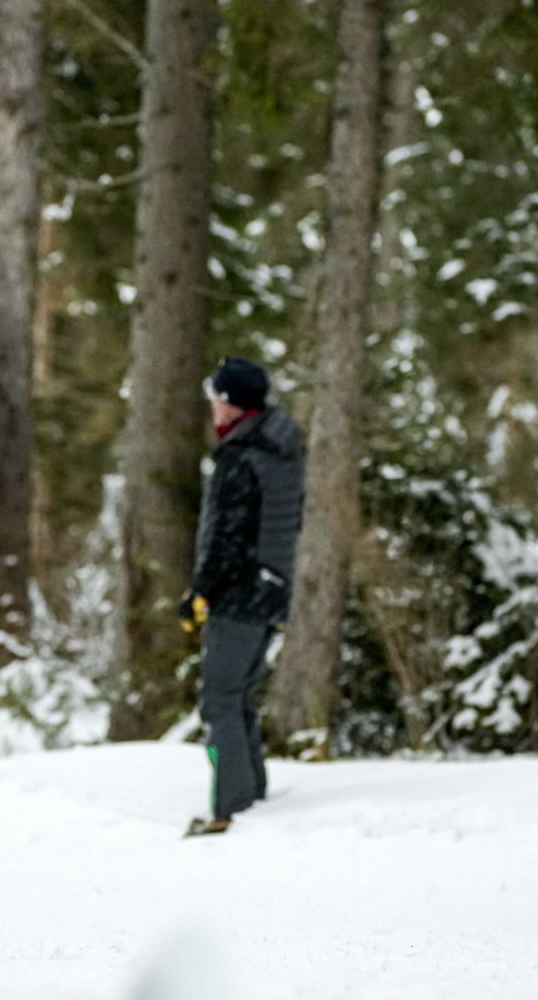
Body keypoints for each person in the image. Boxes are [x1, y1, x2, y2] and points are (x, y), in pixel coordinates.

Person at [178, 356, 304, 837]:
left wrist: (200, 592)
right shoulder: (280, 451)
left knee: (219, 701)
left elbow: (227, 538)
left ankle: (228, 811)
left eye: (216, 397)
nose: (212, 406)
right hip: (272, 591)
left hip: (240, 595)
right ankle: (251, 803)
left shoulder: (241, 457)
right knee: (239, 696)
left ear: (231, 404)